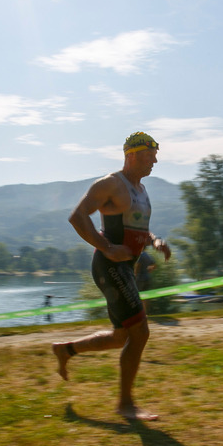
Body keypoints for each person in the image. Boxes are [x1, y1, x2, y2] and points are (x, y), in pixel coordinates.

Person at [52, 131, 172, 421]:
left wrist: (154, 240)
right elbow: (78, 216)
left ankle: (66, 350)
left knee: (121, 337)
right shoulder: (110, 184)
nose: (155, 160)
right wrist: (106, 246)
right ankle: (125, 404)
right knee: (140, 332)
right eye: (149, 154)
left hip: (125, 267)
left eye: (155, 155)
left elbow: (137, 229)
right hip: (110, 266)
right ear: (132, 155)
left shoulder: (140, 190)